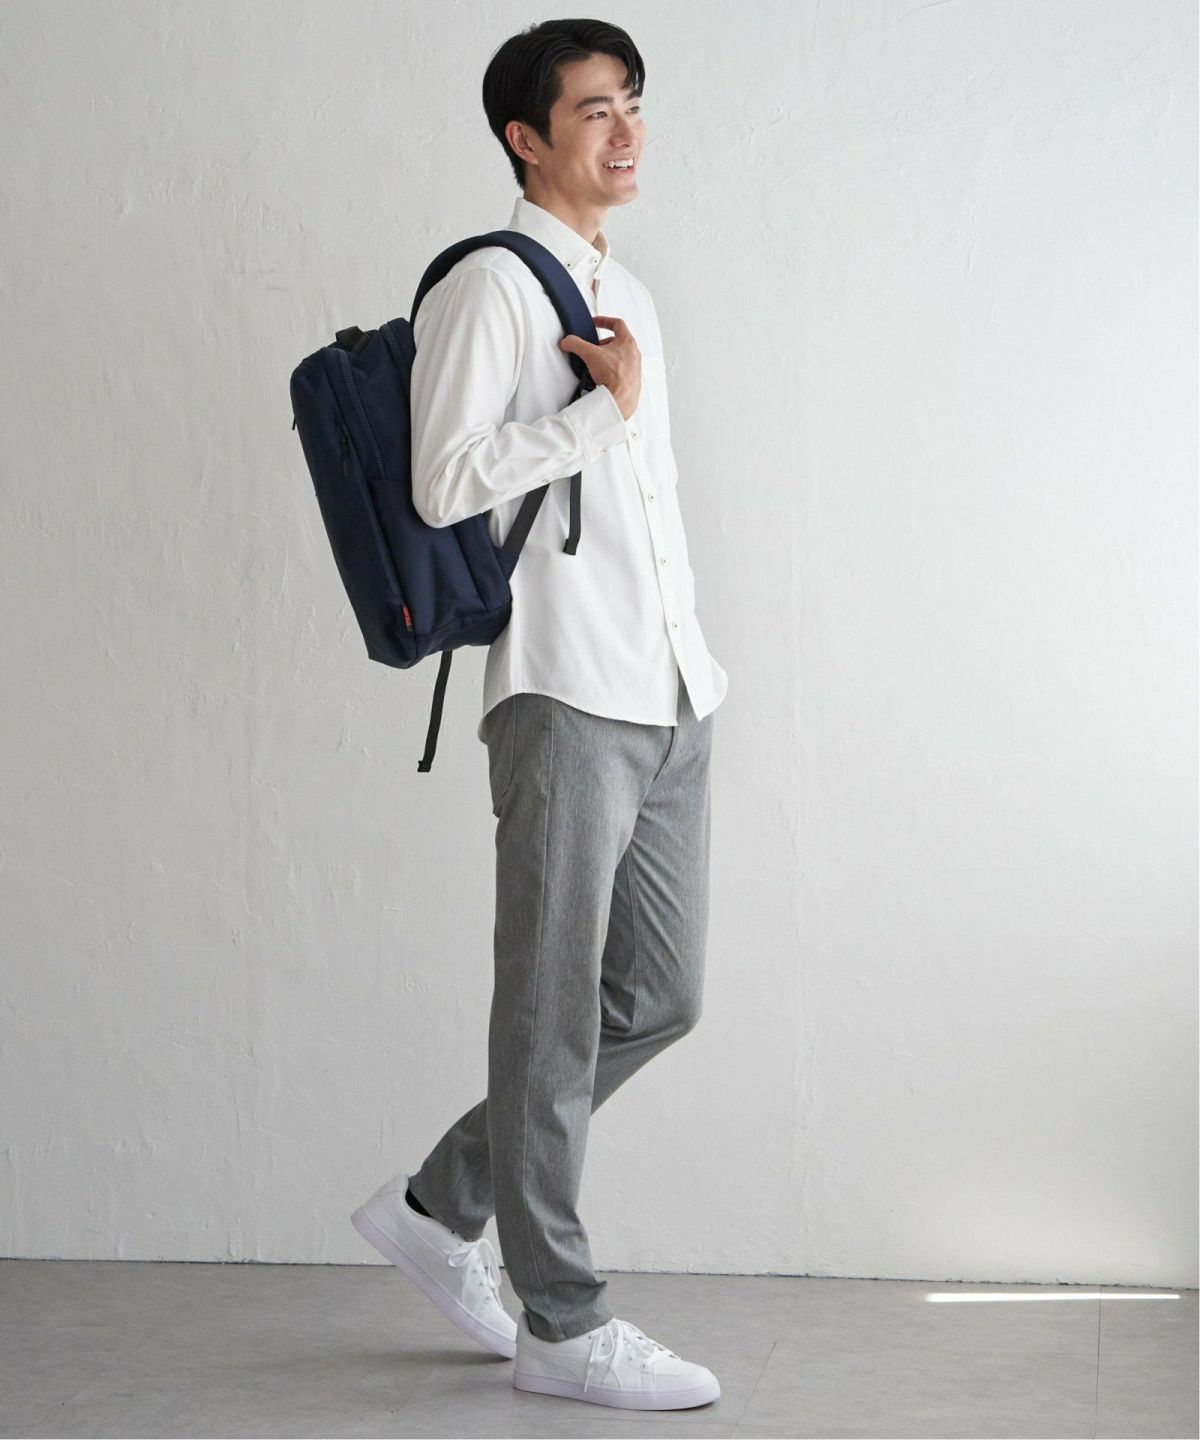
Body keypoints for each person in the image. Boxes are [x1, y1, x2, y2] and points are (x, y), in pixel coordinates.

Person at [351, 18, 728, 1412]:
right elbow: (442, 479)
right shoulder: (491, 288)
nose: (626, 132)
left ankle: (440, 1205)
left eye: (632, 104)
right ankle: (561, 1323)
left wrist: (692, 663)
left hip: (669, 688)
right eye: (593, 112)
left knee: (658, 996)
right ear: (525, 137)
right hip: (565, 692)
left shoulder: (625, 290)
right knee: (552, 1011)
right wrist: (598, 415)